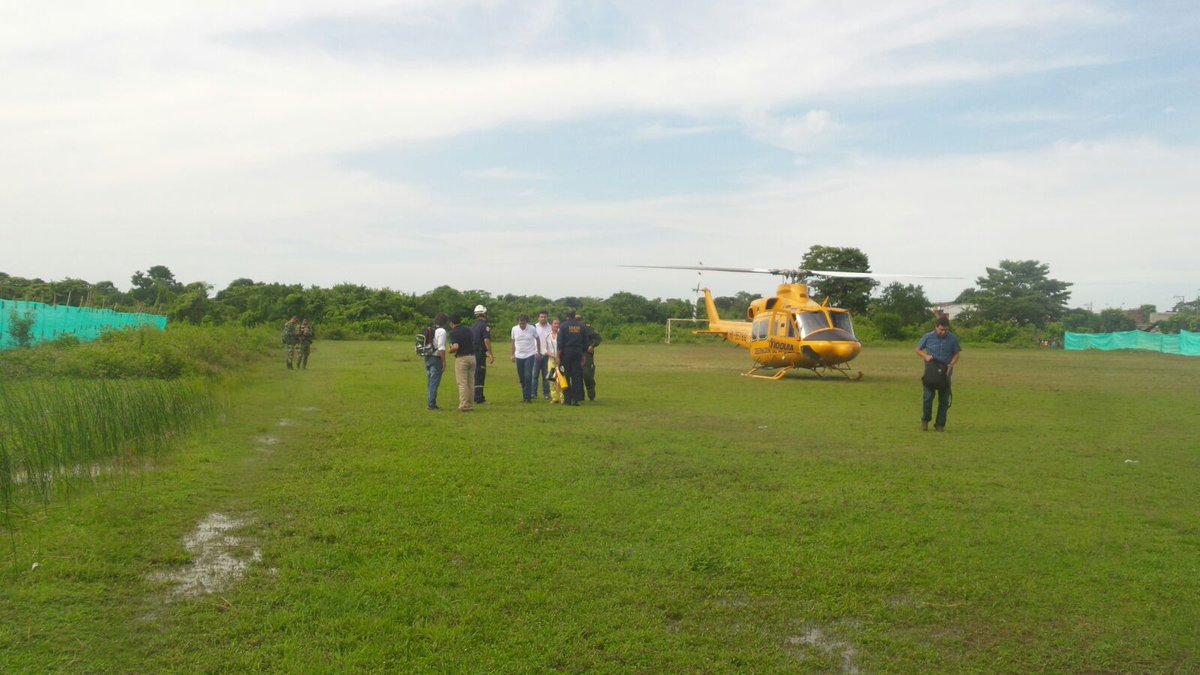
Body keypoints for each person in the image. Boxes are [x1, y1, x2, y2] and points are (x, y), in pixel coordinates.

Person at [916, 317, 962, 431]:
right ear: (936, 327)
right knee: (928, 398)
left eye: (946, 330)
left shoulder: (953, 338)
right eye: (941, 329)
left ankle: (940, 424)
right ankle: (925, 420)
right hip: (931, 371)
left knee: (944, 401)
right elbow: (918, 349)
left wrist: (951, 364)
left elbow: (957, 353)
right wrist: (925, 356)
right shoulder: (928, 336)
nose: (943, 332)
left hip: (946, 371)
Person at [557, 309, 586, 406]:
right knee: (576, 376)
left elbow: (560, 342)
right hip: (578, 352)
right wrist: (584, 355)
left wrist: (558, 356)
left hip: (566, 353)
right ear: (575, 315)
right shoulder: (581, 326)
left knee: (565, 375)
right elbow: (585, 342)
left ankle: (567, 399)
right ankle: (576, 400)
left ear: (567, 316)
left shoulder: (563, 326)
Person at [447, 315, 476, 412]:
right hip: (472, 357)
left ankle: (464, 405)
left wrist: (449, 351)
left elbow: (455, 346)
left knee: (462, 382)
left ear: (451, 323)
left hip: (462, 358)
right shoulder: (469, 330)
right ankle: (470, 404)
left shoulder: (453, 332)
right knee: (470, 382)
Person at [510, 314, 541, 403]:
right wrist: (512, 354)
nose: (522, 325)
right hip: (519, 355)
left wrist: (538, 351)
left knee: (528, 376)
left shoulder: (532, 328)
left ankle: (528, 397)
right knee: (522, 377)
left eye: (524, 323)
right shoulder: (514, 329)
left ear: (526, 322)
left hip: (530, 354)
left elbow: (538, 339)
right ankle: (525, 396)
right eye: (520, 323)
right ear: (518, 322)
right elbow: (513, 342)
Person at [471, 305, 495, 404]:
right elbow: (486, 340)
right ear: (484, 314)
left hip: (473, 353)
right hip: (480, 354)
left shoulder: (474, 326)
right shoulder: (485, 326)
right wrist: (490, 353)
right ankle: (479, 398)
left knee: (475, 375)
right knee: (480, 375)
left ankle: (475, 396)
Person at [425, 313, 448, 411]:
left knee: (430, 381)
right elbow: (441, 348)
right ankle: (431, 404)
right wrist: (444, 362)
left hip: (427, 358)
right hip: (436, 358)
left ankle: (430, 401)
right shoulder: (441, 331)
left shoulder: (431, 329)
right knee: (434, 382)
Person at [580, 313, 602, 401]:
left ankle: (591, 395)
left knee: (587, 374)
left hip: (586, 354)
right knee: (577, 376)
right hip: (576, 354)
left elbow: (598, 338)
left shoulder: (587, 328)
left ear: (582, 321)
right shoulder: (571, 328)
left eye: (579, 321)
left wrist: (592, 346)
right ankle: (579, 396)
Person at [534, 311, 554, 400]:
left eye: (545, 317)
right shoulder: (534, 327)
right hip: (536, 354)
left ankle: (547, 394)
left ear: (547, 317)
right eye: (541, 317)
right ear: (538, 318)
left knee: (547, 376)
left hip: (547, 355)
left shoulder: (551, 327)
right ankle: (533, 394)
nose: (543, 318)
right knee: (534, 375)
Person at [544, 318, 562, 404]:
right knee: (551, 379)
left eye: (558, 324)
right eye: (555, 324)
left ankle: (563, 398)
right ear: (551, 325)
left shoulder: (562, 335)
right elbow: (544, 349)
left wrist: (559, 357)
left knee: (561, 379)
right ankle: (555, 398)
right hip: (551, 361)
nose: (556, 325)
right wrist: (549, 354)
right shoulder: (548, 336)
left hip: (560, 360)